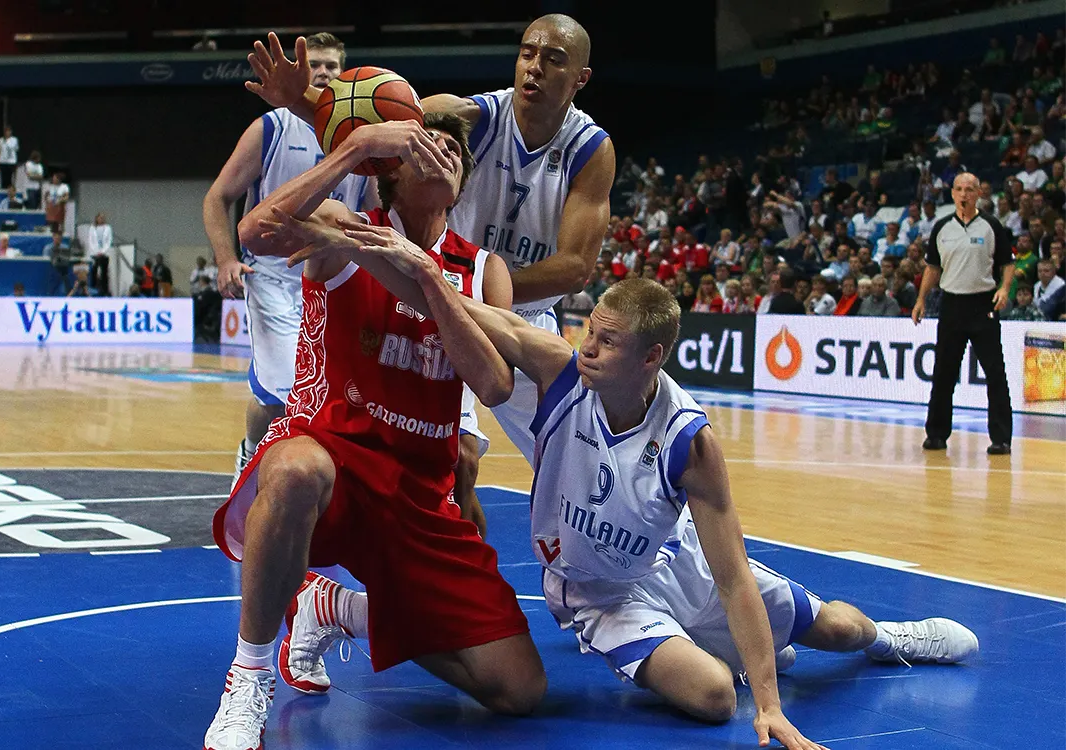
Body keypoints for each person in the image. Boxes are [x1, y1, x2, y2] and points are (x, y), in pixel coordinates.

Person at [287, 253, 980, 750]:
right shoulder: (559, 371)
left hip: (678, 566)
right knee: (712, 698)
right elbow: (456, 302)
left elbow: (733, 573)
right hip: (599, 593)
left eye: (607, 342)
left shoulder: (689, 441)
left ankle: (892, 639)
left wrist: (770, 708)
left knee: (840, 631)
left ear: (651, 358)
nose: (588, 347)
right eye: (590, 330)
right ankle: (336, 607)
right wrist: (376, 249)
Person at [203, 114, 541, 750]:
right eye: (423, 146)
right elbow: (256, 230)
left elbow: (495, 384)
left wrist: (429, 280)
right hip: (335, 458)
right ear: (390, 169)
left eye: (452, 151)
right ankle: (248, 675)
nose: (440, 154)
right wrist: (354, 147)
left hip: (420, 495)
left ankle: (337, 609)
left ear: (464, 179)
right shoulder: (343, 226)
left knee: (516, 689)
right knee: (294, 467)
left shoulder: (483, 269)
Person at [245, 13, 614, 549]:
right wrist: (302, 103)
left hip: (503, 308)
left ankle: (625, 564)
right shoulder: (476, 115)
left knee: (583, 453)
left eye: (553, 59)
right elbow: (382, 135)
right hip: (429, 287)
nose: (534, 67)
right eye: (528, 53)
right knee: (457, 461)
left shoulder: (589, 148)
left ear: (580, 77)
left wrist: (488, 289)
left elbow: (576, 267)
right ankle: (387, 574)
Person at [205, 31, 376, 490]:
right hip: (276, 278)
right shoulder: (272, 127)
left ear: (347, 76)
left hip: (338, 278)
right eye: (314, 63)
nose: (322, 72)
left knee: (343, 393)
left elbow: (379, 214)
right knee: (281, 394)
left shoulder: (361, 133)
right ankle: (252, 460)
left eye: (332, 66)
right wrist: (225, 260)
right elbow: (218, 196)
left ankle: (328, 487)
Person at [915, 173, 1014, 455]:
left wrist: (1005, 289)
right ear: (952, 194)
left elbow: (1007, 263)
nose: (964, 194)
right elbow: (932, 267)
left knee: (995, 373)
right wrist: (921, 299)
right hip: (951, 305)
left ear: (979, 193)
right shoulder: (942, 227)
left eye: (970, 189)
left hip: (983, 305)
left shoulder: (991, 225)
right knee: (944, 372)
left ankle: (1001, 438)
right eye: (959, 189)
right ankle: (936, 434)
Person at [87, 213, 113, 295]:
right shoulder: (92, 228)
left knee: (104, 273)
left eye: (103, 218)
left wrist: (102, 251)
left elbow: (109, 241)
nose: (101, 219)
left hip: (104, 254)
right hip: (94, 254)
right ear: (97, 218)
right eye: (100, 218)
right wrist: (96, 251)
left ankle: (104, 290)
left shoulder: (108, 228)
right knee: (94, 271)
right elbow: (91, 241)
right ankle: (93, 289)